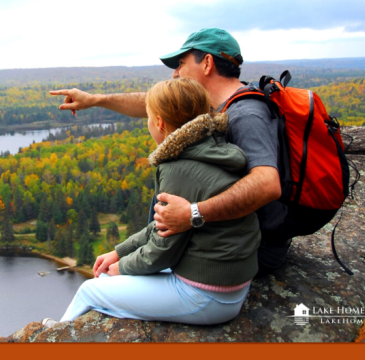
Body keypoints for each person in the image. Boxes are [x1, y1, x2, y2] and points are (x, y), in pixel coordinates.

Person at [51, 28, 290, 276]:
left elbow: (267, 184)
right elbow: (158, 103)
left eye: (181, 63)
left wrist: (192, 214)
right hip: (214, 242)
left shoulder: (246, 115)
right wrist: (94, 100)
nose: (175, 73)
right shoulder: (213, 105)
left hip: (244, 253)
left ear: (207, 63)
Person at [47, 78, 260, 326]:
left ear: (159, 122)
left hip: (207, 296)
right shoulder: (214, 147)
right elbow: (165, 225)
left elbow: (163, 252)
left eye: (148, 117)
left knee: (91, 290)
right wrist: (119, 252)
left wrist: (119, 269)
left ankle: (54, 338)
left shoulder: (178, 168)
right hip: (230, 285)